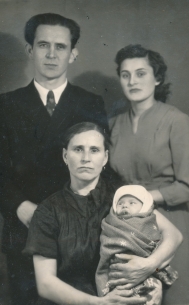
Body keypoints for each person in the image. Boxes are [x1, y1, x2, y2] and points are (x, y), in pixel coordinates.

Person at [0, 13, 108, 305]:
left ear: (72, 54)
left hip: (81, 235)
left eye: (60, 47)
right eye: (43, 45)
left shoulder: (90, 103)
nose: (51, 54)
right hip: (24, 231)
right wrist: (20, 207)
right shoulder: (6, 105)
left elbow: (102, 167)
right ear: (30, 50)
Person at [23, 122, 182, 305]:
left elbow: (174, 235)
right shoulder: (48, 210)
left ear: (105, 158)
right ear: (65, 156)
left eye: (94, 150)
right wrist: (97, 303)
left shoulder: (121, 199)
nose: (86, 158)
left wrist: (149, 266)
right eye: (78, 149)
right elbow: (45, 284)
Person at [109, 44, 189, 305]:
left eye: (141, 73)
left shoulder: (176, 121)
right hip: (128, 225)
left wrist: (142, 198)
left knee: (176, 297)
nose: (132, 81)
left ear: (157, 78)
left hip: (170, 222)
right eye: (125, 75)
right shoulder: (114, 124)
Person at [96, 185, 180, 305]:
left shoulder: (148, 219)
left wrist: (150, 263)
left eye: (132, 203)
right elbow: (107, 244)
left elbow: (168, 237)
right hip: (117, 270)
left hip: (147, 269)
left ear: (144, 207)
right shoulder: (111, 221)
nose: (125, 205)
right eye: (120, 203)